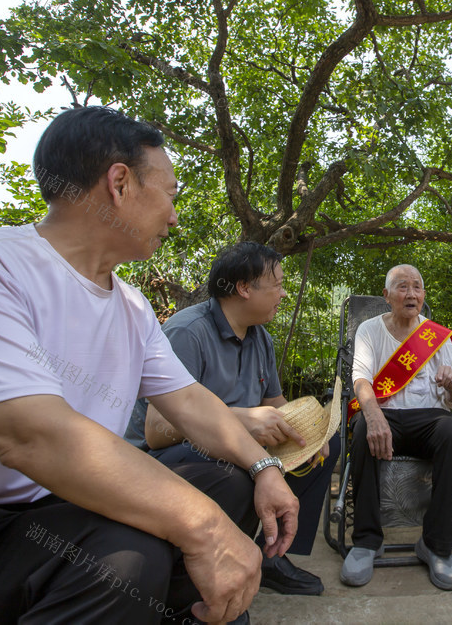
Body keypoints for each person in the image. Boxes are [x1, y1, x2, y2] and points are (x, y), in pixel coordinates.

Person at [0, 106, 299, 625]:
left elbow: (192, 402)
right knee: (127, 560)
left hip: (48, 513)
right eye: (170, 194)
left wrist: (265, 469)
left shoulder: (132, 307)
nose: (174, 216)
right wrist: (208, 528)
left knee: (227, 487)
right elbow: (32, 438)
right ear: (120, 183)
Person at [126, 241, 338, 596]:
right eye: (278, 285)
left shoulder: (261, 338)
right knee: (241, 474)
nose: (283, 294)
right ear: (243, 288)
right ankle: (209, 571)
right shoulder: (188, 332)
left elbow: (275, 402)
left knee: (318, 453)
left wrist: (308, 435)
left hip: (236, 448)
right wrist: (240, 420)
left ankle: (271, 554)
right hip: (161, 457)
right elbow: (157, 431)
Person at [340, 264, 452, 590]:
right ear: (386, 296)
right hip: (387, 418)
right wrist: (373, 417)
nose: (411, 294)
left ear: (423, 295)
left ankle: (437, 547)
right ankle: (367, 541)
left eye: (417, 287)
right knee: (360, 430)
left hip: (430, 421)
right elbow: (361, 379)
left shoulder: (436, 337)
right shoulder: (368, 330)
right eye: (402, 287)